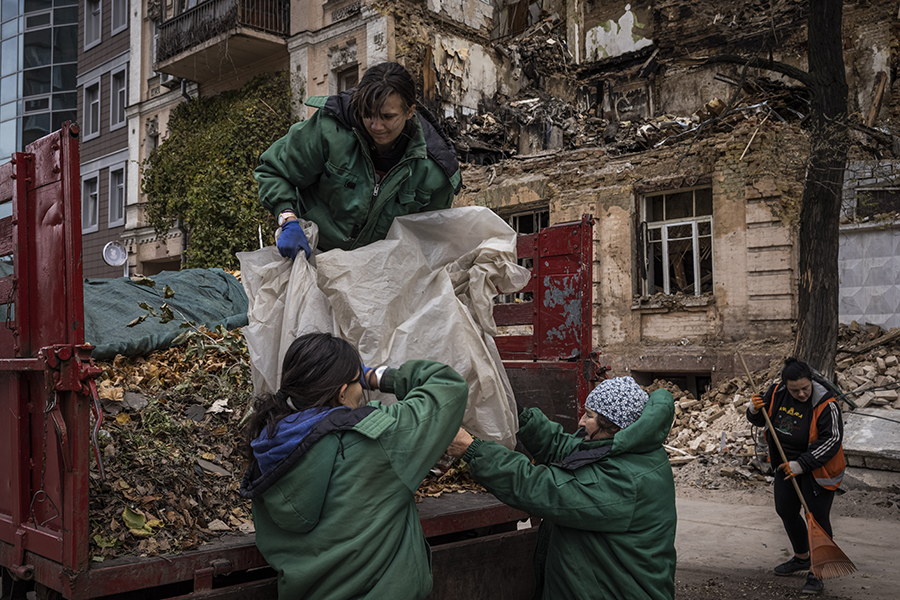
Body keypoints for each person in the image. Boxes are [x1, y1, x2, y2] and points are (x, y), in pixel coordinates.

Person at [239, 332, 468, 600]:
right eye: (357, 381)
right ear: (342, 392)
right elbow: (449, 386)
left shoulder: (268, 447)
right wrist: (377, 376)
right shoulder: (375, 439)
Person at [447, 376, 677, 600]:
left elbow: (541, 489)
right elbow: (563, 447)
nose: (580, 422)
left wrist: (473, 450)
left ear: (614, 426)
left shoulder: (626, 481)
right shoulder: (624, 447)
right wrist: (519, 415)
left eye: (589, 416)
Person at [255, 61, 462, 260]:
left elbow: (431, 236)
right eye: (368, 114)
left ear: (410, 112)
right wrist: (287, 219)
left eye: (387, 117)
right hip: (312, 254)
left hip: (380, 275)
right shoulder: (328, 130)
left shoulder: (435, 170)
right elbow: (274, 171)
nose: (376, 126)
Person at [746, 357, 846, 596]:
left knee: (817, 518)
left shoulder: (826, 403)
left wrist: (802, 464)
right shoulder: (777, 392)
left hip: (817, 469)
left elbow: (832, 439)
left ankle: (817, 572)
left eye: (805, 388)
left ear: (811, 382)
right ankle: (802, 557)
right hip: (784, 465)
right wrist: (753, 408)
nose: (801, 394)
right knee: (786, 510)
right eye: (795, 390)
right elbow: (763, 419)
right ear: (785, 386)